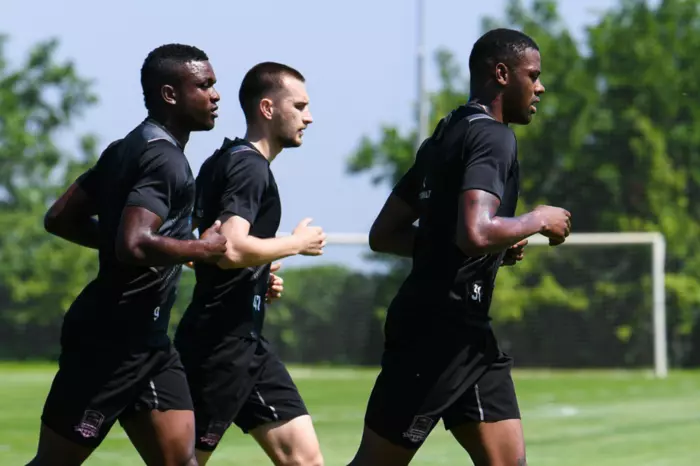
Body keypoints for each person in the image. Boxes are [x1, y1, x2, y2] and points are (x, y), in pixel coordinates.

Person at [347, 28, 572, 466]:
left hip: (468, 335)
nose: (540, 87)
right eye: (533, 75)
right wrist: (538, 219)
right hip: (436, 334)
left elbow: (386, 234)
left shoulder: (445, 135)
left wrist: (490, 248)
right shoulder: (494, 137)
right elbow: (476, 233)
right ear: (502, 74)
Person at [29, 44, 227, 466]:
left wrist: (171, 249)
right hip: (111, 341)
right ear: (170, 94)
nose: (215, 95)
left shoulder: (127, 146)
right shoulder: (164, 159)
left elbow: (62, 219)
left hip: (149, 341)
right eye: (204, 85)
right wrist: (201, 248)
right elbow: (134, 242)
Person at [174, 62, 326, 466]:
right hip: (218, 346)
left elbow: (200, 249)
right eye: (300, 106)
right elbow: (231, 249)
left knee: (305, 459)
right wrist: (296, 244)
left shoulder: (222, 159)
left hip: (246, 342)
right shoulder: (250, 167)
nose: (309, 117)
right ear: (267, 108)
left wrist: (256, 277)